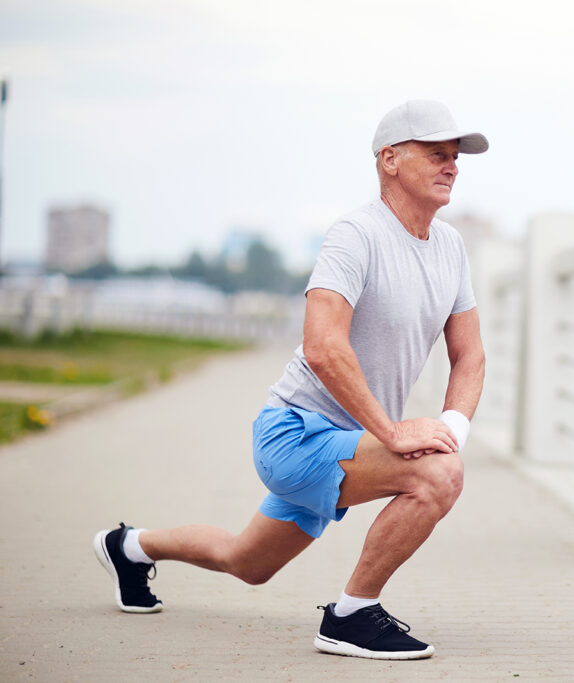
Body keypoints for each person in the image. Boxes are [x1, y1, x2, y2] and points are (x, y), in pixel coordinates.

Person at [93, 100, 488, 660]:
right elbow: (324, 348)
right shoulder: (357, 234)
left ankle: (129, 546)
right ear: (390, 160)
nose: (451, 166)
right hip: (296, 434)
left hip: (354, 445)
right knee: (438, 475)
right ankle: (351, 615)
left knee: (246, 563)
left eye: (455, 157)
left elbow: (470, 356)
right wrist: (394, 433)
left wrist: (451, 427)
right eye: (436, 153)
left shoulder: (450, 247)